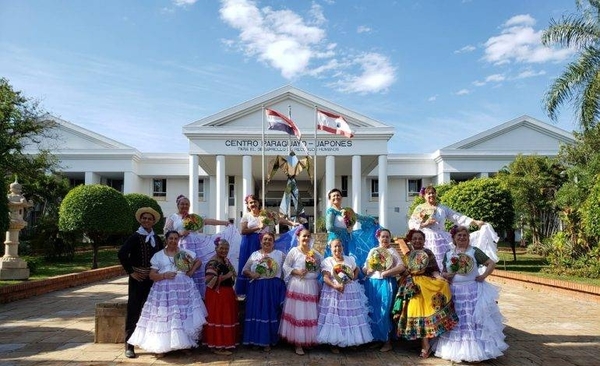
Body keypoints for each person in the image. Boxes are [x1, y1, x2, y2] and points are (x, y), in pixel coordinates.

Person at [127, 230, 207, 357]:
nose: (173, 241)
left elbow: (198, 261)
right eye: (171, 238)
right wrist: (164, 275)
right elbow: (152, 275)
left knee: (182, 314)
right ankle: (162, 347)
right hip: (164, 291)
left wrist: (191, 271)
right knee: (164, 316)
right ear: (166, 240)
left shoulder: (184, 253)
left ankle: (184, 344)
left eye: (176, 238)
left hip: (183, 289)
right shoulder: (158, 255)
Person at [435, 226, 508, 363]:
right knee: (458, 321)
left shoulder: (475, 252)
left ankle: (477, 351)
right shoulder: (449, 253)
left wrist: (483, 276)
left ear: (468, 237)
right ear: (454, 238)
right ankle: (458, 351)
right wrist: (446, 275)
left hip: (473, 291)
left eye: (464, 235)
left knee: (472, 321)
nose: (462, 238)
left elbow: (491, 263)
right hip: (455, 292)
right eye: (459, 236)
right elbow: (443, 271)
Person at [392, 229, 458, 359]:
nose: (417, 241)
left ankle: (425, 345)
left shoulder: (428, 253)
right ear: (411, 240)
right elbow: (403, 272)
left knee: (427, 311)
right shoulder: (408, 254)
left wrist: (441, 279)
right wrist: (406, 273)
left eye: (420, 238)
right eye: (415, 238)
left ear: (424, 241)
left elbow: (434, 271)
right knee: (415, 311)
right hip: (411, 287)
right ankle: (422, 343)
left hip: (427, 285)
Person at [118, 207, 164, 359]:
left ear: (153, 222)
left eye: (149, 219)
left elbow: (162, 256)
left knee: (152, 311)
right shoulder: (135, 236)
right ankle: (129, 345)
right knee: (134, 311)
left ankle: (151, 342)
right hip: (137, 280)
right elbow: (122, 253)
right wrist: (131, 272)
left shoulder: (156, 239)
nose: (146, 220)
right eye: (144, 218)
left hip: (151, 280)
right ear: (140, 220)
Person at [164, 194, 230, 297]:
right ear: (178, 205)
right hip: (181, 245)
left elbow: (207, 221)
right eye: (182, 204)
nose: (185, 206)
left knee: (197, 267)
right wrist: (180, 234)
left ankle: (198, 296)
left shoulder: (193, 217)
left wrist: (225, 222)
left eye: (187, 204)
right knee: (183, 268)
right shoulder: (172, 217)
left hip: (196, 245)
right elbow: (166, 233)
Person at [317, 239, 373, 353]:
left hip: (350, 292)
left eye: (339, 246)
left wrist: (352, 277)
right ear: (331, 249)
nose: (338, 249)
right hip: (334, 292)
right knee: (336, 317)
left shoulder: (349, 259)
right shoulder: (328, 261)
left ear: (342, 247)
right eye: (335, 247)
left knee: (349, 315)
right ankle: (334, 343)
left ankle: (351, 340)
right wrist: (335, 285)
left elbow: (356, 269)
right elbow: (325, 277)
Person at [235, 194, 298, 297]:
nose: (253, 204)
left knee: (267, 261)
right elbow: (243, 231)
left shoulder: (265, 214)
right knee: (250, 263)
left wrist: (292, 224)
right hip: (249, 242)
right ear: (247, 205)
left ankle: (266, 284)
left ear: (258, 202)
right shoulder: (247, 216)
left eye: (255, 201)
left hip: (265, 241)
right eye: (251, 202)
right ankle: (247, 291)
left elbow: (279, 219)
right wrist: (258, 227)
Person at [408, 185, 484, 269]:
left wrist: (475, 222)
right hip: (426, 238)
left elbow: (457, 216)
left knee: (446, 260)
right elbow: (411, 223)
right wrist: (425, 224)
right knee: (426, 261)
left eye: (433, 193)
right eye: (428, 193)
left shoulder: (442, 208)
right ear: (424, 196)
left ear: (436, 194)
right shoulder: (420, 208)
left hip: (441, 239)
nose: (431, 195)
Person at [279, 227, 322, 355]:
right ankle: (298, 343)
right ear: (298, 238)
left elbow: (321, 266)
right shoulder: (294, 251)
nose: (306, 238)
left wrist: (315, 270)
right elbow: (285, 266)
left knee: (310, 314)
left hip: (311, 285)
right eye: (304, 236)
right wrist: (296, 271)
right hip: (297, 285)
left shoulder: (314, 253)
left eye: (308, 236)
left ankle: (307, 340)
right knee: (298, 313)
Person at [241, 232, 286, 352]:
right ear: (260, 241)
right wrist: (251, 274)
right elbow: (244, 270)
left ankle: (267, 341)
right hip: (256, 287)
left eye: (270, 239)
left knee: (269, 312)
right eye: (265, 239)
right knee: (256, 312)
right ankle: (255, 340)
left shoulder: (280, 255)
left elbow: (287, 269)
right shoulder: (254, 255)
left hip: (272, 288)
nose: (267, 241)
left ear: (273, 242)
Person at [362, 228, 405, 352]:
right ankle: (377, 339)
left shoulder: (392, 251)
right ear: (378, 238)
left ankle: (387, 341)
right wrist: (367, 270)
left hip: (386, 283)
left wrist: (387, 272)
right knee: (373, 312)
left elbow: (401, 267)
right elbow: (365, 268)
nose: (385, 239)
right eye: (383, 236)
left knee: (384, 312)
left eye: (387, 237)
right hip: (372, 283)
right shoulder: (373, 251)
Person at [203, 237, 239, 356]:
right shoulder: (212, 263)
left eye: (226, 248)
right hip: (217, 294)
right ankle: (217, 346)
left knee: (225, 318)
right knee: (218, 318)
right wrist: (226, 276)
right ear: (216, 248)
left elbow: (233, 273)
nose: (224, 250)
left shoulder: (225, 261)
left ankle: (223, 344)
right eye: (221, 248)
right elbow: (209, 280)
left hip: (226, 293)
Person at [324, 188, 377, 260]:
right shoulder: (331, 211)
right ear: (330, 199)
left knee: (347, 260)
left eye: (338, 195)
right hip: (335, 240)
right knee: (336, 261)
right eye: (333, 196)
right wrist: (346, 230)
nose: (336, 197)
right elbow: (329, 227)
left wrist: (372, 219)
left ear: (341, 197)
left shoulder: (346, 210)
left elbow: (358, 217)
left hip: (347, 239)